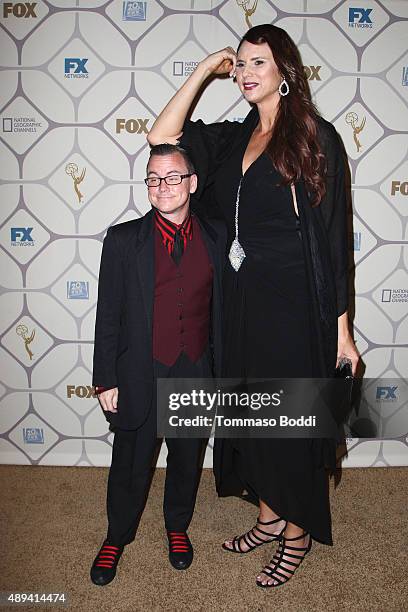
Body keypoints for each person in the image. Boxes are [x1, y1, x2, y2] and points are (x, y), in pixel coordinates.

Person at [147, 24, 360, 588]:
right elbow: (159, 137)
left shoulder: (314, 136)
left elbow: (334, 239)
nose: (244, 71)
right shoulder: (234, 137)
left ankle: (298, 532)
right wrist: (202, 72)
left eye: (257, 62)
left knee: (288, 418)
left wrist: (342, 331)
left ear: (284, 72)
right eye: (239, 62)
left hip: (292, 303)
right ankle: (269, 516)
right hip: (237, 299)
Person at [90, 144, 226, 586]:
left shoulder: (218, 235)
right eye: (152, 177)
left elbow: (230, 307)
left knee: (187, 456)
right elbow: (107, 313)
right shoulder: (123, 240)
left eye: (171, 177)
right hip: (139, 371)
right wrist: (105, 378)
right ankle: (117, 535)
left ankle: (177, 527)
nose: (161, 186)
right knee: (130, 460)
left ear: (191, 183)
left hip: (194, 369)